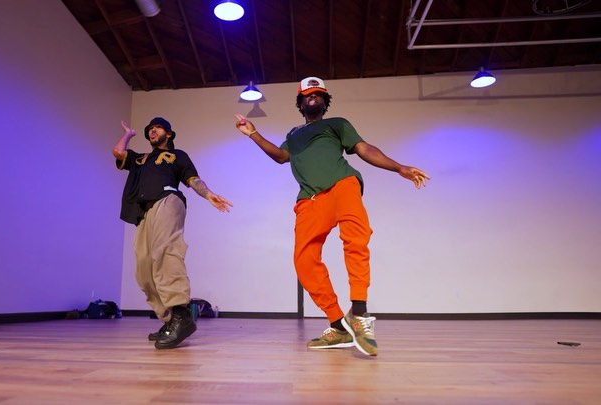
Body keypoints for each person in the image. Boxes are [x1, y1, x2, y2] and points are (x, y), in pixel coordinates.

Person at [234, 77, 429, 356]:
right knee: (304, 261)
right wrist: (253, 133)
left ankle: (359, 312)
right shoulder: (293, 134)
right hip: (310, 199)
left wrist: (398, 168)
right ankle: (338, 325)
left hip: (343, 186)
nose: (312, 97)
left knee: (356, 241)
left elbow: (364, 148)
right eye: (307, 94)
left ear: (325, 102)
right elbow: (280, 156)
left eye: (318, 94)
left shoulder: (336, 124)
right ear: (300, 103)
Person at [113, 117, 232, 349]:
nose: (152, 131)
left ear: (168, 133)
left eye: (157, 128)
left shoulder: (177, 156)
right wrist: (129, 134)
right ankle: (170, 321)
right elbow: (118, 152)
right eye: (149, 129)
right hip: (144, 211)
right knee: (143, 268)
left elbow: (193, 179)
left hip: (167, 200)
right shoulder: (140, 158)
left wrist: (208, 194)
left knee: (166, 252)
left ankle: (181, 314)